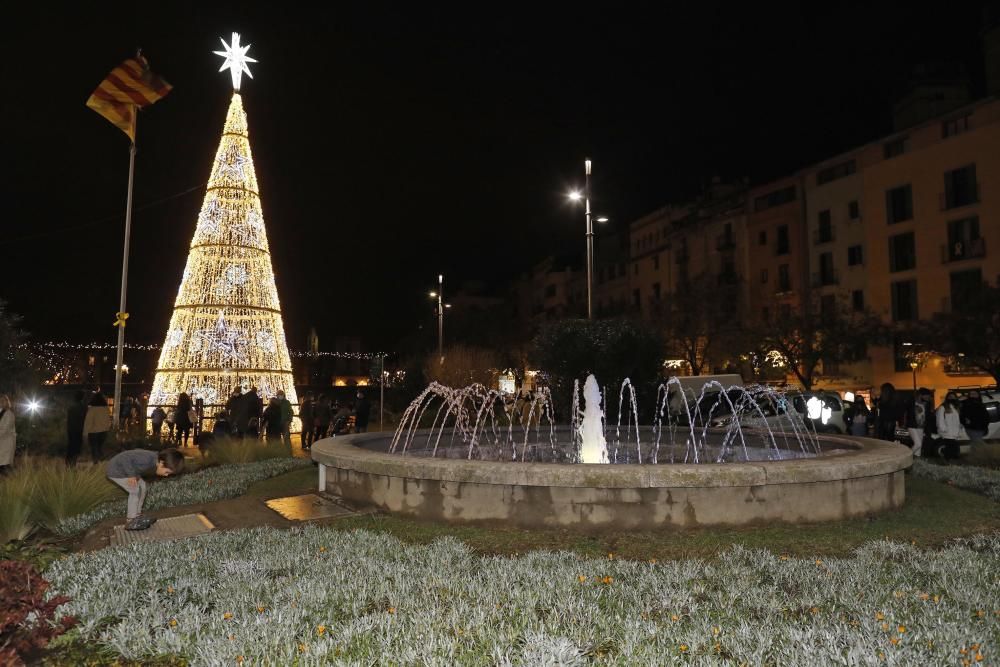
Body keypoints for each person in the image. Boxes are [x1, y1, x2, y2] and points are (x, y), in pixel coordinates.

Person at [106, 447, 184, 530]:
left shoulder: (154, 459)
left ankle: (137, 516)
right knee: (134, 490)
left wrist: (134, 474)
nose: (166, 475)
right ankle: (130, 521)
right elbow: (126, 458)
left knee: (143, 486)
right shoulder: (147, 459)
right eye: (167, 472)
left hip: (126, 470)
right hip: (116, 471)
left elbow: (135, 461)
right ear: (161, 463)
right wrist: (131, 475)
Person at [932, 392, 965, 459]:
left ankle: (950, 463)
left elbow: (956, 421)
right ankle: (948, 463)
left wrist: (960, 427)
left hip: (954, 433)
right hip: (947, 433)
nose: (952, 398)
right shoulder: (943, 407)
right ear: (947, 398)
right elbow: (939, 419)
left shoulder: (956, 408)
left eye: (953, 397)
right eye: (950, 397)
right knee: (951, 450)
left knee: (953, 449)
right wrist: (944, 429)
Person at [82, 392, 113, 461]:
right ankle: (102, 462)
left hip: (94, 432)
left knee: (94, 448)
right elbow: (109, 420)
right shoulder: (106, 409)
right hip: (104, 432)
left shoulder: (92, 409)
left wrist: (85, 433)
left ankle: (96, 463)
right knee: (100, 447)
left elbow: (88, 422)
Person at [904, 388, 935, 457]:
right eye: (927, 396)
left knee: (919, 448)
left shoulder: (927, 404)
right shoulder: (911, 402)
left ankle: (916, 461)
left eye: (929, 397)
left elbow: (928, 416)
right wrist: (904, 423)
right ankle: (906, 457)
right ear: (921, 395)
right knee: (918, 444)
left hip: (921, 427)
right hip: (912, 425)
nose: (928, 398)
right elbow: (905, 412)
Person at [66, 390, 88, 466]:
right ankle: (73, 463)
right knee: (77, 447)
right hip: (79, 429)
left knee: (71, 445)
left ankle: (68, 462)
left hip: (71, 429)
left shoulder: (71, 407)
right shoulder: (83, 408)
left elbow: (69, 419)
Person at [0, 395, 16, 475]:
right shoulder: (1, 413)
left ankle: (13, 483)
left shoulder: (9, 414)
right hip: (1, 443)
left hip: (6, 443)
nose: (1, 402)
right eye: (0, 401)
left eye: (3, 401)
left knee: (5, 466)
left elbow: (5, 429)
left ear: (7, 402)